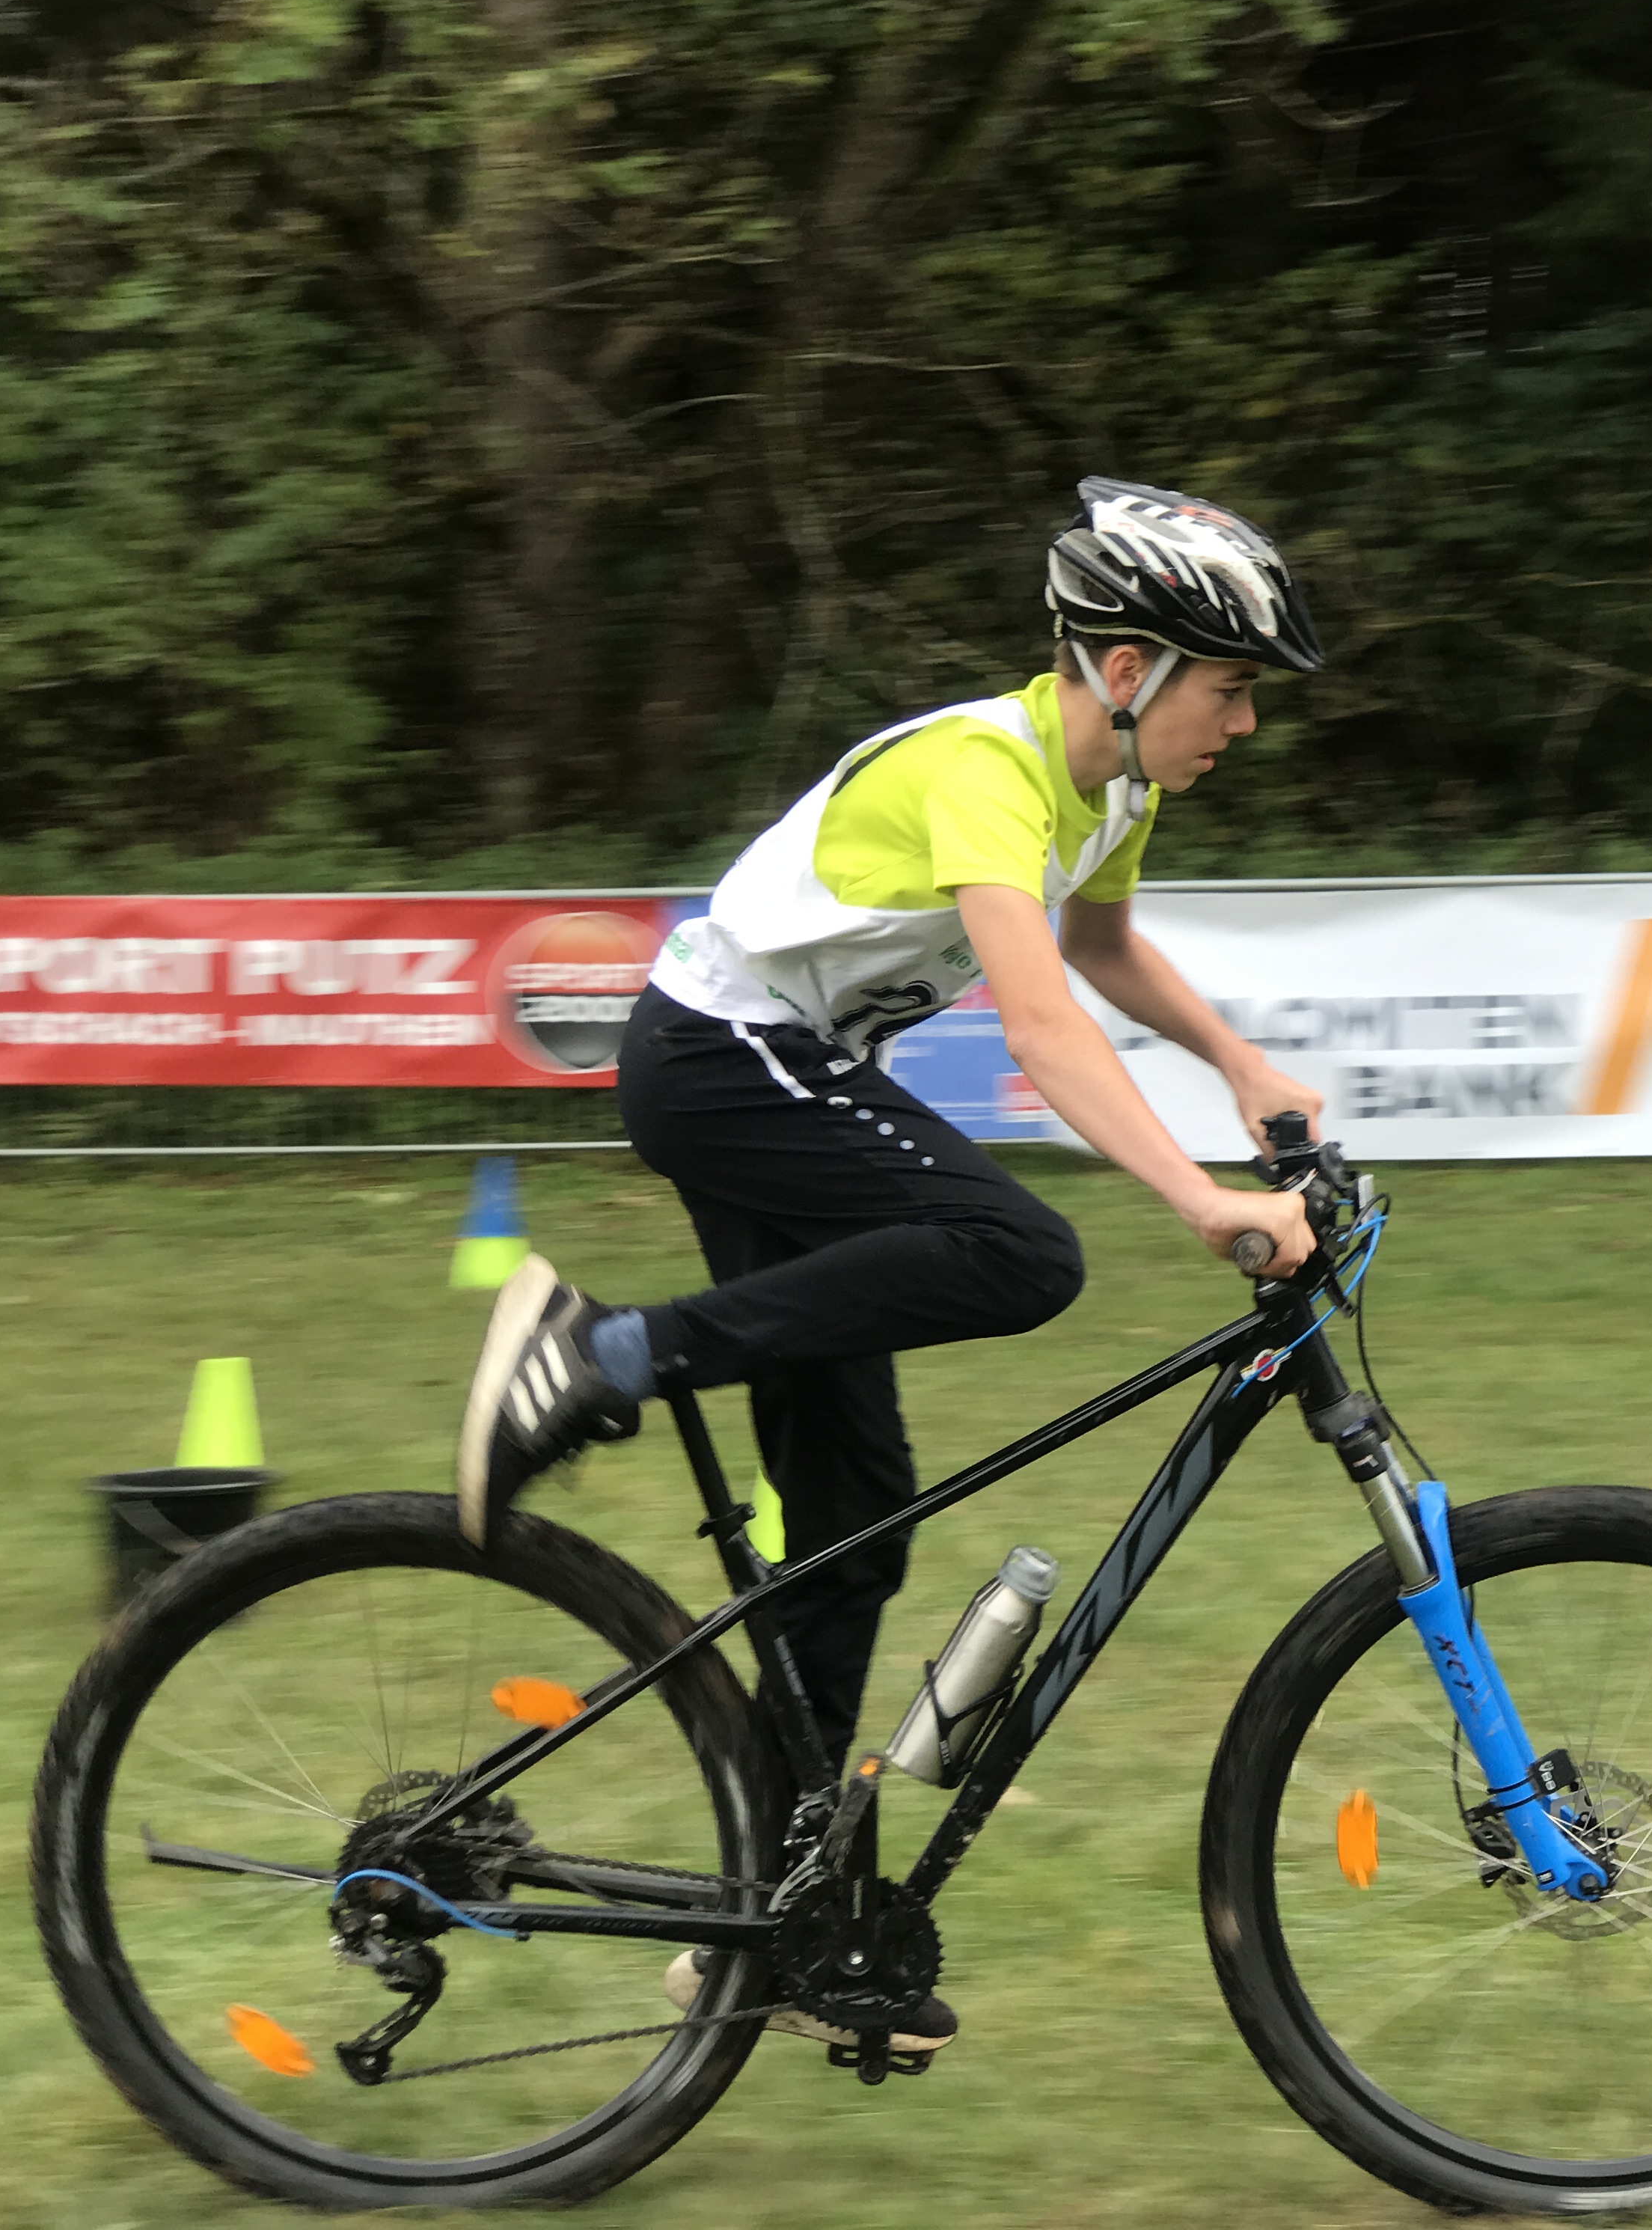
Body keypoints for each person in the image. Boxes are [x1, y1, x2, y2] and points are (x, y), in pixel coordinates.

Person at [453, 477, 1327, 2053]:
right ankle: (597, 1358)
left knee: (855, 1516)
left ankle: (771, 1927)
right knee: (1015, 1249)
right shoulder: (988, 771)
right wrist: (1201, 1200)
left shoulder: (1109, 790)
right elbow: (1042, 1027)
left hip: (780, 1072)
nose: (1244, 722)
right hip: (720, 1057)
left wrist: (1242, 1064)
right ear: (1129, 672)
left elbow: (1104, 949)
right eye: (1231, 686)